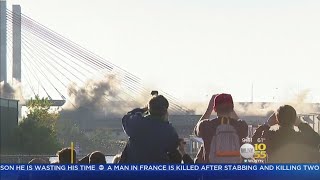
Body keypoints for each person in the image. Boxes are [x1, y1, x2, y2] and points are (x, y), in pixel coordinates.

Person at [121, 95, 179, 163]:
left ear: (149, 109)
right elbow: (173, 147)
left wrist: (142, 109)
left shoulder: (137, 123)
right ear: (165, 111)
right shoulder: (170, 131)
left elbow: (127, 117)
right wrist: (165, 122)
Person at [252, 105, 320, 163]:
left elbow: (254, 143)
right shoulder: (301, 138)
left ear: (277, 120)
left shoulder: (269, 137)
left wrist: (267, 124)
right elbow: (316, 140)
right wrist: (300, 124)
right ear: (295, 120)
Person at [194, 93, 248, 163]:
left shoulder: (206, 125)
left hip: (212, 171)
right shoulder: (241, 126)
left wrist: (209, 109)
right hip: (235, 171)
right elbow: (244, 128)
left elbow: (196, 131)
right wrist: (230, 108)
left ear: (215, 109)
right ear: (232, 108)